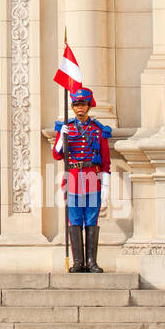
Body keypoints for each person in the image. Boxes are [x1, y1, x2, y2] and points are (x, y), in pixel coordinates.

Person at [53, 87, 111, 273]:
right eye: (76, 105)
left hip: (92, 177)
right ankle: (78, 262)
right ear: (72, 106)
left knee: (92, 219)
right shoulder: (66, 128)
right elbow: (56, 154)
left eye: (83, 104)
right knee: (75, 219)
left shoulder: (97, 130)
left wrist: (106, 183)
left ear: (89, 106)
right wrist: (61, 139)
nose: (79, 108)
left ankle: (91, 262)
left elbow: (106, 160)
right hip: (73, 178)